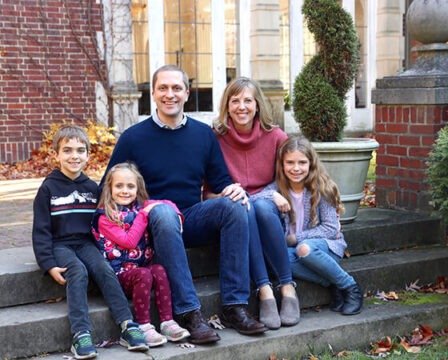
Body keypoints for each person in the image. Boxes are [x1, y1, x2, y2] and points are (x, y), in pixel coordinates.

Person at [99, 64, 267, 344]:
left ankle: (234, 306)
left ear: (187, 93)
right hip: (152, 224)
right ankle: (189, 312)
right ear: (152, 93)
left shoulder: (203, 135)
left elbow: (220, 180)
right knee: (163, 211)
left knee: (235, 205)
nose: (170, 94)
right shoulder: (133, 138)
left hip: (190, 216)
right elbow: (107, 188)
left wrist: (233, 190)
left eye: (176, 88)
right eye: (163, 88)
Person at [32, 126, 149, 359]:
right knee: (78, 270)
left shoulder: (91, 188)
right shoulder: (48, 188)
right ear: (56, 154)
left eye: (80, 150)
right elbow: (41, 230)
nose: (74, 155)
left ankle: (127, 324)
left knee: (103, 269)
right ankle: (81, 333)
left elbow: (106, 214)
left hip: (87, 243)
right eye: (67, 150)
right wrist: (48, 263)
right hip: (60, 245)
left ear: (88, 155)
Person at [208, 77, 300, 329]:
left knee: (257, 205)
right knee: (243, 206)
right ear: (226, 106)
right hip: (235, 214)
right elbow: (208, 193)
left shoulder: (276, 136)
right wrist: (229, 197)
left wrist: (272, 194)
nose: (241, 107)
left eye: (247, 100)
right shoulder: (215, 138)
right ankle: (264, 290)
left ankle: (287, 287)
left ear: (257, 105)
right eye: (234, 101)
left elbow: (291, 178)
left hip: (271, 213)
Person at [92, 162, 191, 347]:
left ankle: (167, 322)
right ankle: (144, 326)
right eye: (119, 186)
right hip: (118, 277)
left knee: (159, 270)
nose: (125, 191)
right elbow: (129, 241)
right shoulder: (105, 217)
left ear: (138, 189)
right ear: (109, 188)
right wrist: (144, 215)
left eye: (130, 186)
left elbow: (165, 203)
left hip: (140, 273)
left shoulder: (139, 206)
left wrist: (176, 214)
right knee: (144, 273)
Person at [276, 136, 363, 316]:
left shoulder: (323, 188)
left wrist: (295, 238)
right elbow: (255, 197)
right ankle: (332, 282)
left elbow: (331, 229)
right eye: (290, 162)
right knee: (274, 257)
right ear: (282, 164)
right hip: (292, 251)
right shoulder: (277, 189)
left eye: (302, 162)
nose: (296, 168)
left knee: (304, 248)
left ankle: (350, 287)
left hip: (324, 247)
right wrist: (272, 197)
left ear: (311, 164)